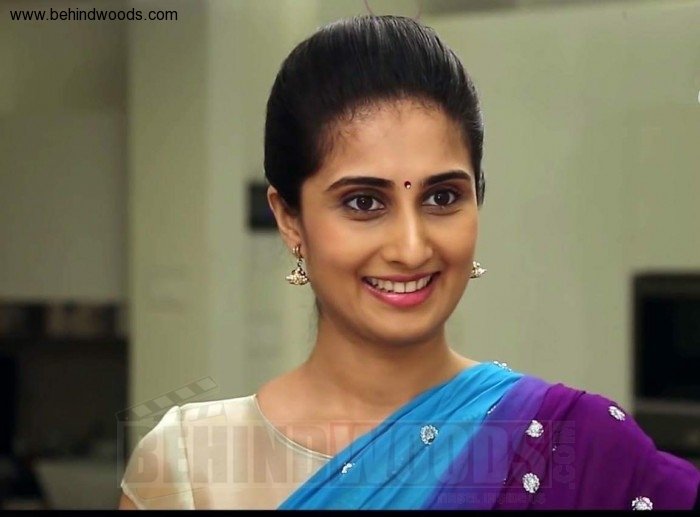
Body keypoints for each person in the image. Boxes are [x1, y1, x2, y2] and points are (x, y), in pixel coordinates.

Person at [118, 15, 700, 510]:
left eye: (442, 197)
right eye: (363, 202)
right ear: (289, 218)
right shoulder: (188, 465)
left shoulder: (573, 445)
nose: (412, 247)